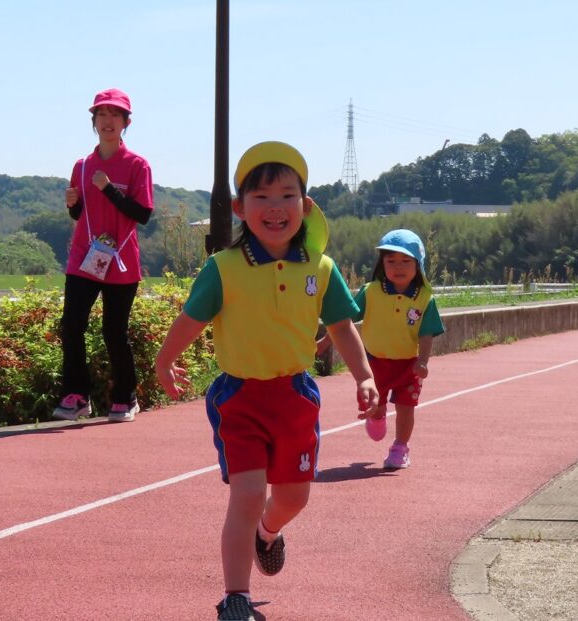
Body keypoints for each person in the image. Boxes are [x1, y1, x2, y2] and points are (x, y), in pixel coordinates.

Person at [155, 141, 379, 621]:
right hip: (240, 397)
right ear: (240, 208)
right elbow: (191, 319)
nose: (275, 207)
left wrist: (364, 376)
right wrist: (165, 360)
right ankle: (235, 596)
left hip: (295, 396)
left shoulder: (321, 269)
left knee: (294, 496)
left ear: (306, 205)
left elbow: (342, 327)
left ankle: (268, 533)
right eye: (261, 197)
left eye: (286, 196)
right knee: (248, 494)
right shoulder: (224, 268)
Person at [52, 88, 154, 423]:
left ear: (126, 122)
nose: (107, 121)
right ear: (93, 121)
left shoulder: (137, 165)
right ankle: (76, 396)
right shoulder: (83, 166)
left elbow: (142, 214)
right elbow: (79, 214)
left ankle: (125, 396)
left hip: (121, 260)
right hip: (85, 258)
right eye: (101, 115)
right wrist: (73, 204)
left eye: (115, 115)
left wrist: (108, 188)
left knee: (114, 331)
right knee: (72, 326)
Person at [320, 229, 445, 469]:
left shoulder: (425, 298)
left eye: (406, 261)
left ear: (418, 264)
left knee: (407, 408)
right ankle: (378, 416)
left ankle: (400, 448)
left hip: (408, 366)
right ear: (382, 264)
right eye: (391, 261)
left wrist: (423, 361)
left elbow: (426, 333)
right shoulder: (371, 291)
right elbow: (343, 321)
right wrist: (325, 342)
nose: (398, 267)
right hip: (374, 363)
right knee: (375, 406)